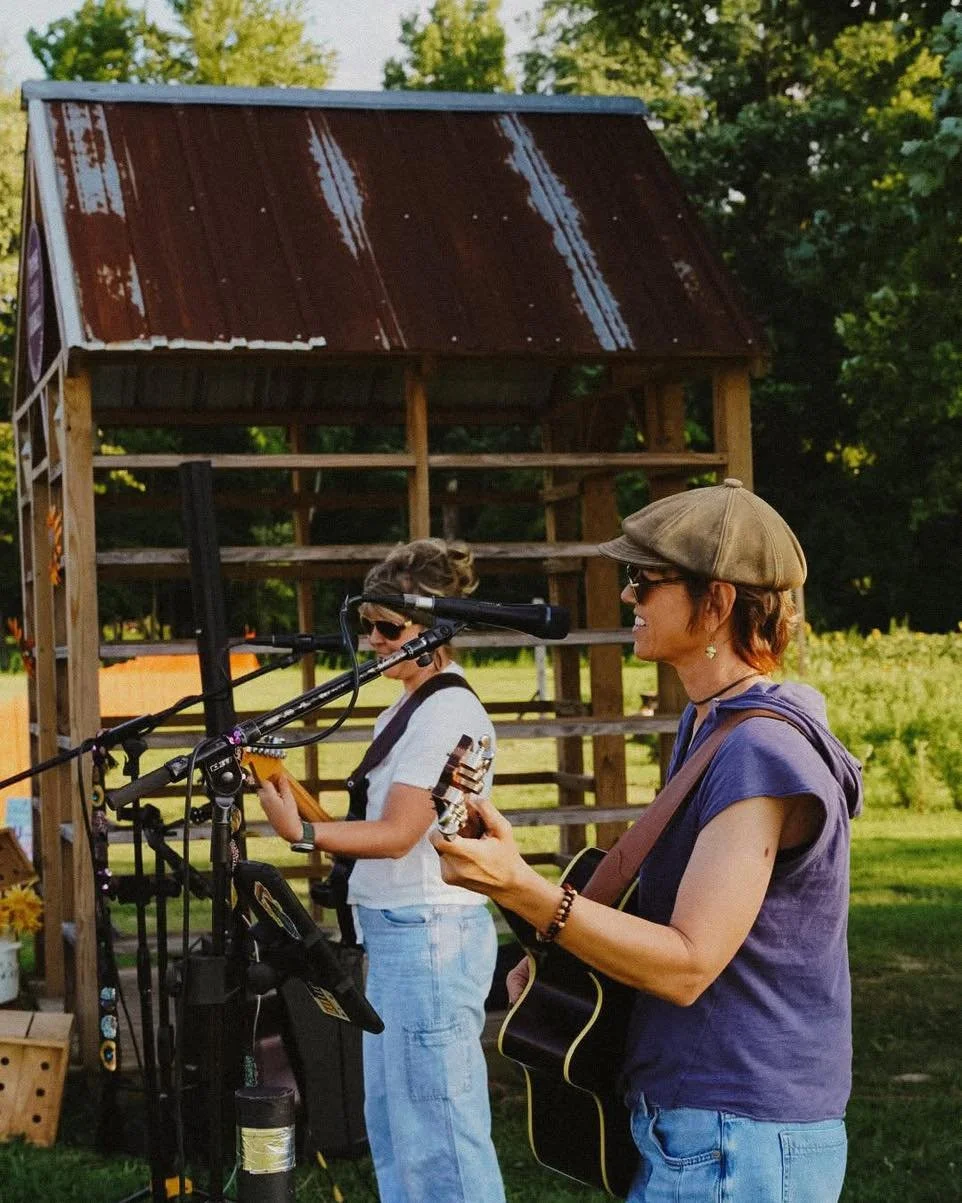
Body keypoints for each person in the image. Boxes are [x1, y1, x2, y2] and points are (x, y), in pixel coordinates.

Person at [432, 478, 863, 1203]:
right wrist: (551, 944)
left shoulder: (759, 750)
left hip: (739, 1133)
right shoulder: (711, 724)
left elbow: (690, 963)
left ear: (717, 603)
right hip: (703, 1124)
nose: (628, 596)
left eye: (645, 580)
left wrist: (526, 891)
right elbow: (667, 918)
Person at [254, 538, 506, 1203]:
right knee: (397, 1131)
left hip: (430, 934)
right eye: (366, 624)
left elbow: (398, 834)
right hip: (400, 932)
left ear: (435, 631)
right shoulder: (408, 706)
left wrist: (301, 832)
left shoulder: (448, 712)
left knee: (443, 1139)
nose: (372, 640)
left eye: (388, 628)